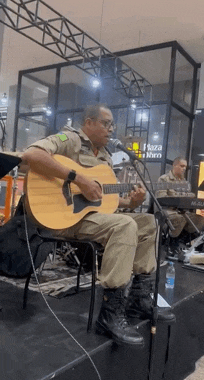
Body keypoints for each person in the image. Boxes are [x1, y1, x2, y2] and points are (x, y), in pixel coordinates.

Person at [22, 103, 175, 346]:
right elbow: (31, 155)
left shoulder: (105, 157)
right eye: (106, 123)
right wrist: (78, 178)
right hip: (64, 218)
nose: (111, 129)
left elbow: (105, 202)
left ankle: (139, 299)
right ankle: (110, 313)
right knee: (124, 226)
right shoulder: (69, 139)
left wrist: (131, 201)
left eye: (112, 124)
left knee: (147, 222)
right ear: (89, 123)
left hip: (91, 218)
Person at [155, 157, 204, 259]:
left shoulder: (185, 183)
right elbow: (161, 198)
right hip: (168, 211)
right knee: (179, 219)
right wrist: (179, 197)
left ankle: (178, 242)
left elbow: (189, 197)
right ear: (174, 165)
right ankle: (171, 245)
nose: (184, 169)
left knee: (199, 220)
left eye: (185, 167)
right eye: (182, 166)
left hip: (182, 211)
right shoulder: (164, 179)